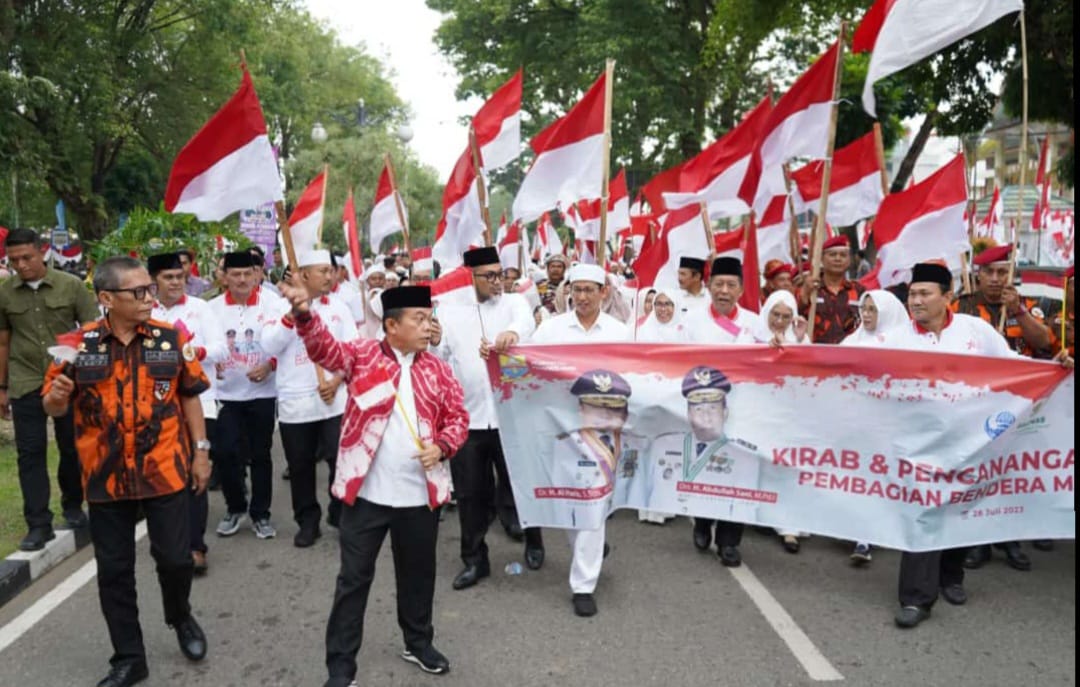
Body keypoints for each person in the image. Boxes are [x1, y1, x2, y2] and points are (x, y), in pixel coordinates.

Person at [277, 281, 468, 683]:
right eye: (419, 319)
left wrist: (444, 446)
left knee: (418, 576)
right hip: (366, 496)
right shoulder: (362, 355)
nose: (428, 327)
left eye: (430, 319)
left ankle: (418, 642)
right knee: (353, 581)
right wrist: (304, 314)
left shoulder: (438, 368)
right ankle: (341, 667)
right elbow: (324, 349)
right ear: (391, 326)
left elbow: (458, 418)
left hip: (420, 496)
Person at [42, 255, 211, 687]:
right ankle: (129, 657)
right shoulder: (76, 345)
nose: (148, 298)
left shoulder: (171, 338)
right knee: (114, 571)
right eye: (138, 292)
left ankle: (180, 615)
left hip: (164, 470)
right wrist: (58, 396)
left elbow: (190, 395)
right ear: (106, 298)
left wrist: (201, 451)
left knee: (175, 560)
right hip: (105, 477)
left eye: (149, 290)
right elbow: (53, 405)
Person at [883, 262, 1020, 629]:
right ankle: (916, 598)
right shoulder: (895, 339)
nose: (915, 301)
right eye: (912, 293)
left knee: (958, 510)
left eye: (924, 293)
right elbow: (856, 369)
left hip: (968, 441)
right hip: (918, 445)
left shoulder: (976, 332)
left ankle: (951, 577)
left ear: (948, 297)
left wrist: (1055, 368)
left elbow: (1012, 368)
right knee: (923, 513)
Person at [430, 246, 538, 589]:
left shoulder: (513, 304)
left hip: (511, 415)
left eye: (500, 273)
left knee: (521, 484)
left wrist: (513, 335)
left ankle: (534, 539)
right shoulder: (449, 311)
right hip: (469, 419)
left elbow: (526, 323)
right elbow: (439, 354)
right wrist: (434, 341)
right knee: (471, 495)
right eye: (489, 276)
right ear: (470, 277)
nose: (498, 281)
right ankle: (475, 559)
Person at [531, 263, 631, 617]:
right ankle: (588, 551)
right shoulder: (551, 330)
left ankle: (583, 585)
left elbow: (635, 376)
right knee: (571, 504)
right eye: (578, 289)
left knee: (592, 503)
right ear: (568, 292)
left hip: (603, 430)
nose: (584, 296)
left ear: (604, 292)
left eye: (591, 289)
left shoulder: (620, 333)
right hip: (562, 430)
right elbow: (528, 367)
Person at [953, 244, 1052, 572]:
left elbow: (1044, 342)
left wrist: (1018, 312)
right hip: (975, 405)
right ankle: (975, 541)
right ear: (977, 275)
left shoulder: (1028, 306)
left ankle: (1009, 538)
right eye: (989, 273)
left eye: (1002, 272)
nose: (995, 279)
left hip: (1018, 408)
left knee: (1010, 472)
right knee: (978, 471)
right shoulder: (960, 307)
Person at [0, 228, 100, 551]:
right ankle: (38, 524)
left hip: (66, 379)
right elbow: (3, 342)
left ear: (42, 251)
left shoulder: (71, 286)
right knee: (30, 454)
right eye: (14, 260)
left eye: (27, 257)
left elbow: (92, 332)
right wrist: (2, 387)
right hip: (24, 379)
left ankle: (73, 506)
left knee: (71, 447)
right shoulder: (5, 294)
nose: (22, 265)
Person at [262, 250, 356, 547]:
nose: (330, 277)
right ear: (303, 275)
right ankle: (307, 521)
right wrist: (293, 315)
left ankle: (339, 511)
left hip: (334, 399)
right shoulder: (278, 307)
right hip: (296, 403)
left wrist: (337, 379)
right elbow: (269, 345)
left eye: (331, 271)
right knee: (300, 465)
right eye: (323, 272)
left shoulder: (339, 307)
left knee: (340, 459)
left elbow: (353, 351)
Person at [150, 252, 229, 575]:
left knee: (196, 471)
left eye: (179, 277)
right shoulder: (146, 312)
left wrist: (191, 353)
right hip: (155, 406)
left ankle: (196, 546)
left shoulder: (201, 309)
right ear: (153, 280)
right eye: (168, 278)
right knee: (163, 476)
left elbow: (222, 349)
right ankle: (169, 542)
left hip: (200, 401)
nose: (175, 282)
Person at [684, 256, 761, 565]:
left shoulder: (755, 323)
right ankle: (703, 521)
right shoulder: (692, 321)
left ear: (741, 289)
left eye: (731, 285)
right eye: (718, 284)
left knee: (738, 474)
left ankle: (729, 541)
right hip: (703, 407)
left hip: (742, 409)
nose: (724, 290)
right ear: (709, 287)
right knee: (708, 468)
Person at [206, 251, 283, 540]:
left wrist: (270, 365)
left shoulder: (274, 304)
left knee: (261, 454)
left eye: (246, 273)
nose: (241, 279)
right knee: (226, 453)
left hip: (263, 392)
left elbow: (288, 341)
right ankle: (235, 507)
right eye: (234, 274)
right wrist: (214, 365)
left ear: (256, 274)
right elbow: (205, 344)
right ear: (224, 277)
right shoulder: (210, 309)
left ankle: (261, 514)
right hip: (225, 394)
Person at [647, 366, 762, 555]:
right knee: (703, 481)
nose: (705, 415)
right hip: (697, 497)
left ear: (725, 412)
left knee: (737, 489)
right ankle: (702, 524)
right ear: (688, 413)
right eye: (698, 408)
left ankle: (728, 542)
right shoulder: (668, 445)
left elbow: (745, 499)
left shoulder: (743, 453)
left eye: (713, 408)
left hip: (739, 379)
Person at [837, 287, 909, 564]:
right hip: (856, 423)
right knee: (859, 478)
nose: (865, 315)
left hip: (888, 424)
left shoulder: (904, 344)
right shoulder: (853, 340)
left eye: (872, 310)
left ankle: (875, 533)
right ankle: (860, 536)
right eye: (863, 309)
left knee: (883, 479)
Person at [799, 235, 865, 343]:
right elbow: (795, 316)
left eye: (843, 255)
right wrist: (805, 294)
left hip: (852, 354)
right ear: (821, 259)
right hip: (816, 354)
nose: (838, 259)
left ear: (849, 260)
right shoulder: (810, 288)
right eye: (832, 254)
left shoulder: (859, 290)